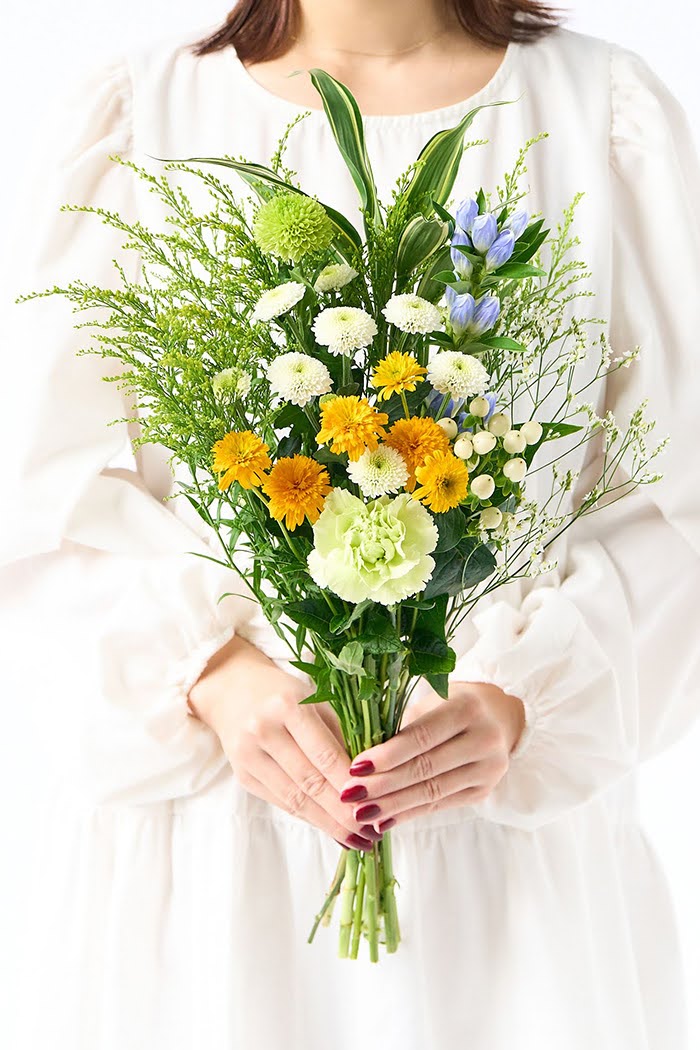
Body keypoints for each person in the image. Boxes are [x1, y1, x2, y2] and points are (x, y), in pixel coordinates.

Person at [1, 1, 699, 1047]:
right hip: (212, 856)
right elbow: (35, 491)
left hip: (501, 853)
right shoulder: (140, 116)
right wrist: (210, 676)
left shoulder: (598, 114)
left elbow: (674, 489)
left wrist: (526, 693)